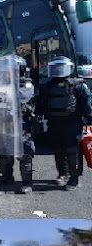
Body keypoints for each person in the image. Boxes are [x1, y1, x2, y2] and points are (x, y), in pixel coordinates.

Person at [38, 56, 92, 190]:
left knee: (72, 151)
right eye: (55, 68)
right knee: (58, 150)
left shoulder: (78, 85)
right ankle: (62, 174)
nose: (58, 70)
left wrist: (89, 121)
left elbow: (86, 105)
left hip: (72, 124)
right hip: (54, 123)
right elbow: (41, 104)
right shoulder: (47, 86)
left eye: (60, 67)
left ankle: (74, 178)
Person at [0, 57, 36, 194]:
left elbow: (22, 98)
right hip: (5, 123)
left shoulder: (26, 85)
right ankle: (6, 177)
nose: (7, 73)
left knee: (24, 153)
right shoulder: (2, 86)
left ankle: (27, 183)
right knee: (4, 152)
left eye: (11, 71)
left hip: (22, 123)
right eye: (6, 71)